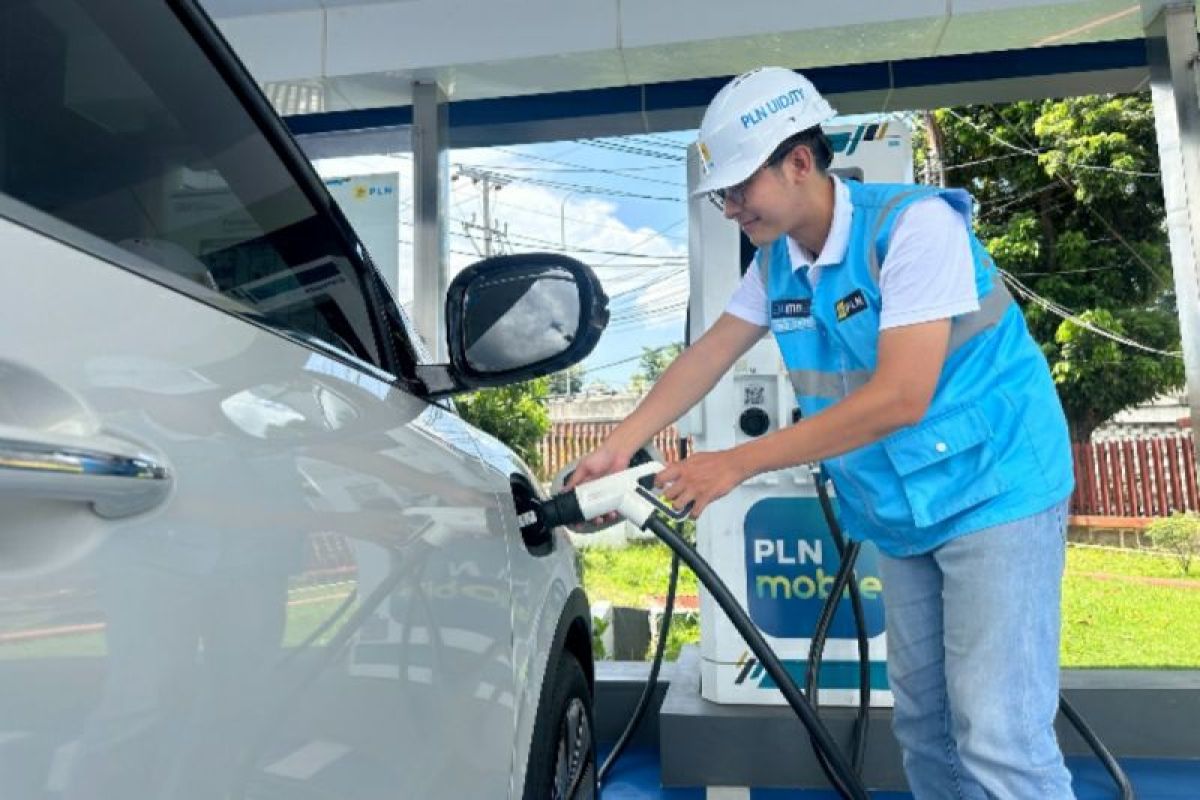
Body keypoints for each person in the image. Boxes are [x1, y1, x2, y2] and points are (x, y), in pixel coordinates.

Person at [566, 67, 1076, 799]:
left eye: (742, 186)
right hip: (903, 515)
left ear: (799, 162)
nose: (731, 205)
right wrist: (619, 446)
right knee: (925, 728)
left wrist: (734, 464)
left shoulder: (914, 226)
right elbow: (709, 354)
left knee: (999, 737)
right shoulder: (777, 265)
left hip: (995, 491)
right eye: (722, 193)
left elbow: (900, 397)